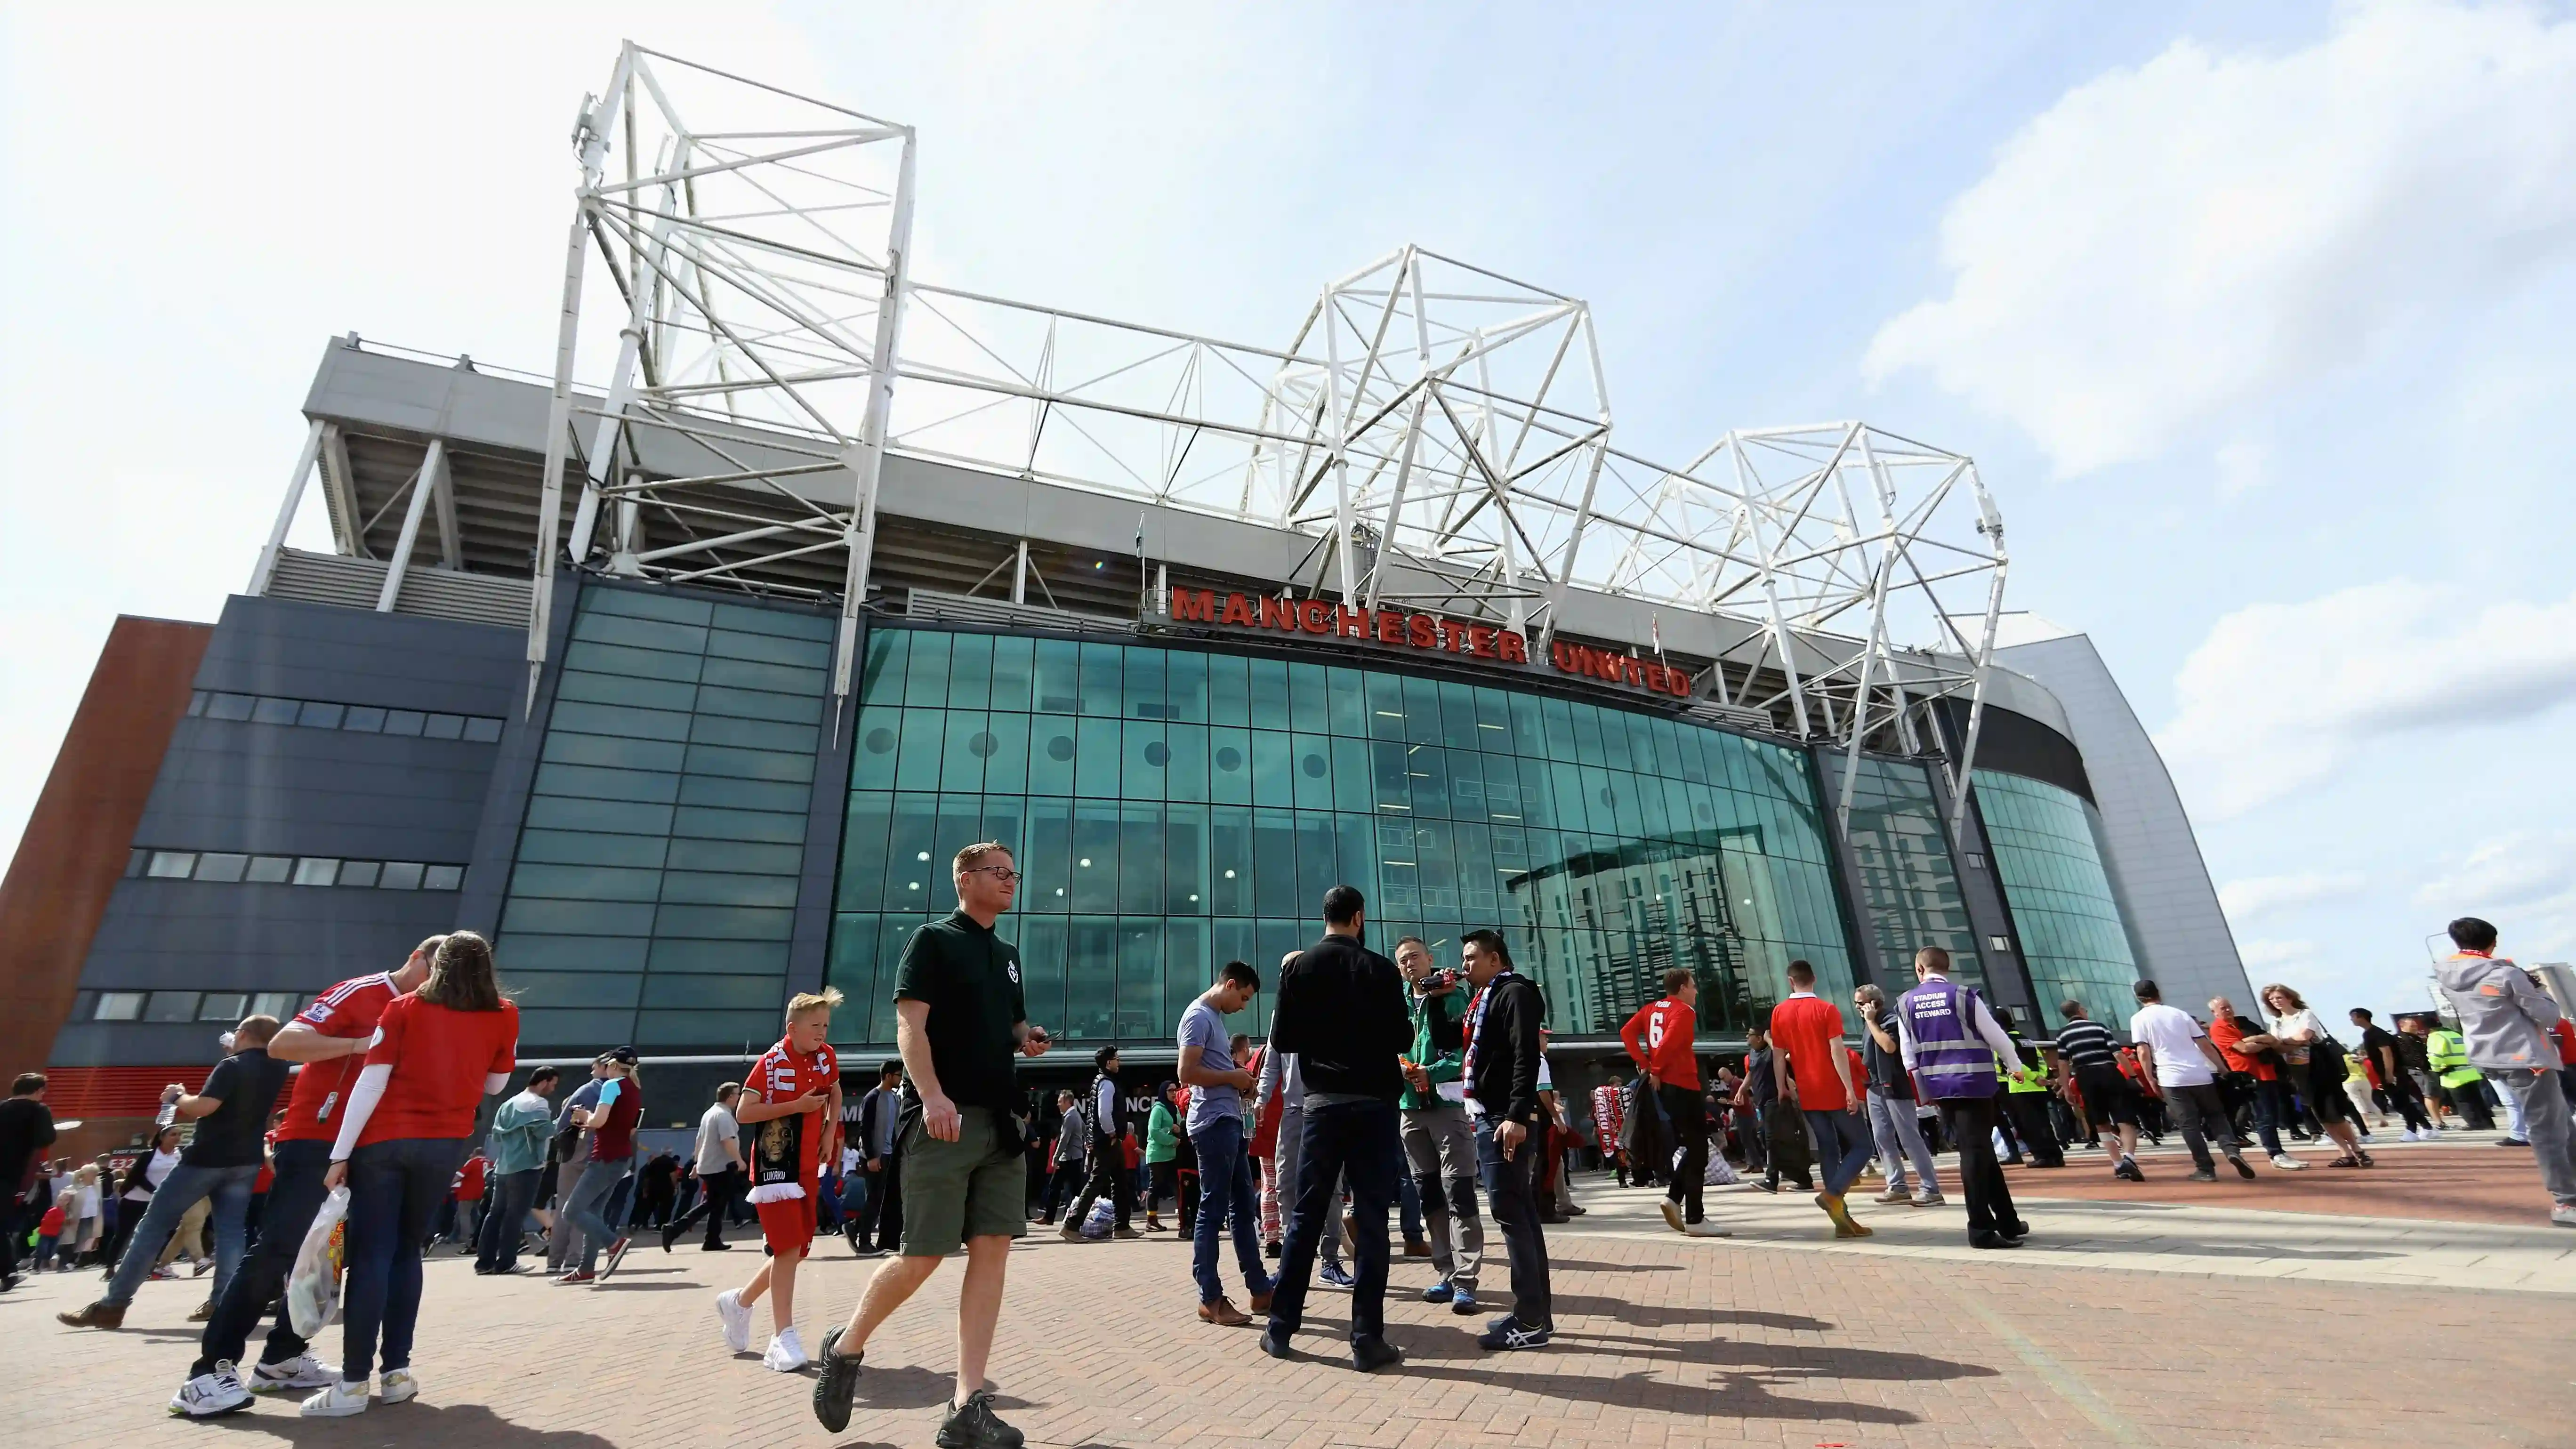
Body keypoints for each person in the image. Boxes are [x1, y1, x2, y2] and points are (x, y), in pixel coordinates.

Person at [811, 842, 1052, 1448]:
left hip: (1002, 1123)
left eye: (1013, 874)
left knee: (993, 1252)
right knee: (922, 1257)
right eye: (999, 873)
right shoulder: (933, 940)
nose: (1010, 882)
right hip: (944, 1119)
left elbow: (1012, 1020)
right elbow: (909, 1026)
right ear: (965, 879)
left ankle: (967, 1404)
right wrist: (934, 1095)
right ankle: (845, 1349)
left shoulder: (1009, 955)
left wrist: (1029, 1037)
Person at [297, 932, 518, 1418]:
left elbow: (371, 1082)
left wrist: (340, 1154)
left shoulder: (403, 1009)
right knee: (406, 1251)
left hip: (383, 1142)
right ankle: (396, 1373)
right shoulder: (505, 1013)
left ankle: (352, 1384)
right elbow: (497, 1084)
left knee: (372, 1253)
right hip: (445, 1144)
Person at [1258, 884, 1409, 1374]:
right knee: (1371, 1219)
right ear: (1359, 918)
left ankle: (1281, 1327)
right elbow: (1403, 1037)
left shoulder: (1298, 968)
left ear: (1324, 916)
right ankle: (1367, 1338)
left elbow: (1284, 1040)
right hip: (1374, 1103)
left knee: (1305, 1214)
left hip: (1321, 1103)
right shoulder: (1383, 970)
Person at [61, 1015, 290, 1332]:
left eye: (238, 1033)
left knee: (152, 1227)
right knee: (231, 1232)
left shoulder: (231, 1066)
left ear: (245, 1034)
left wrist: (176, 1096)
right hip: (246, 1160)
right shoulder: (276, 1067)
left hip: (206, 1159)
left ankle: (113, 1305)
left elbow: (204, 1107)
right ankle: (223, 1302)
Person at [718, 989, 844, 1371]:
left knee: (792, 1251)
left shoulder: (826, 1056)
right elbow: (744, 1112)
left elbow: (835, 1092)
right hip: (777, 1168)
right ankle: (782, 1338)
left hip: (808, 1166)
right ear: (792, 1028)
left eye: (825, 1025)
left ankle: (739, 1302)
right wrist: (798, 1106)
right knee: (788, 1250)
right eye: (814, 1026)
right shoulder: (771, 1062)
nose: (822, 1032)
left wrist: (828, 1131)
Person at [2433, 918, 2576, 1227]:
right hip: (2526, 1057)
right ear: (2492, 941)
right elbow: (2548, 1015)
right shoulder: (2506, 973)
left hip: (2489, 1056)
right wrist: (2540, 990)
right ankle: (2566, 1202)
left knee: (2561, 1122)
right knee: (2548, 1131)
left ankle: (2571, 1191)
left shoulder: (2446, 976)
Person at [1455, 928, 1552, 1351]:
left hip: (1502, 1120)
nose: (1464, 966)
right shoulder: (1485, 999)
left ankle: (1530, 1322)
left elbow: (1525, 1055)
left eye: (1472, 958)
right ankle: (1535, 1315)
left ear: (1496, 959)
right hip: (1491, 1115)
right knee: (1520, 1214)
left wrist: (1517, 1115)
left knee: (1512, 1215)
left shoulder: (1515, 992)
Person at [1894, 947, 2027, 1249]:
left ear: (1919, 970)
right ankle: (1980, 1229)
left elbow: (1908, 1055)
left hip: (1939, 1088)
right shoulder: (1964, 996)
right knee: (1975, 1153)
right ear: (1947, 967)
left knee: (1980, 1151)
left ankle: (2007, 1220)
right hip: (1974, 1083)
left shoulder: (1904, 1003)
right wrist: (2015, 1066)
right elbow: (1997, 1036)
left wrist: (1923, 1092)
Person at [1177, 959, 1275, 1325]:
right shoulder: (1199, 1017)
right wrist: (1234, 1078)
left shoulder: (1212, 1018)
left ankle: (1260, 1289)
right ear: (1231, 985)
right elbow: (1186, 1073)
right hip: (1213, 1124)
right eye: (1245, 998)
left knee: (1241, 1209)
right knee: (1213, 1210)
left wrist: (1240, 1084)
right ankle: (1211, 1298)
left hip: (1227, 1120)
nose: (1244, 1006)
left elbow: (1208, 1073)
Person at [1395, 935, 1486, 1313]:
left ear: (1430, 959)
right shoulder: (1396, 1001)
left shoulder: (1451, 996)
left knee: (1459, 1191)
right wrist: (1403, 1070)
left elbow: (1467, 1050)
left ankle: (1466, 1279)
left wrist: (1429, 1072)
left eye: (1415, 957)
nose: (1410, 965)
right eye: (1403, 961)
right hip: (1409, 1108)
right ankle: (1446, 1272)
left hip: (1446, 1105)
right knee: (1429, 1192)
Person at [1768, 960, 1871, 1237]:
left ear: (1791, 981)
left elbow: (1778, 1055)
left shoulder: (1779, 1012)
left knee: (1829, 1149)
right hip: (1833, 1088)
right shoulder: (1826, 1009)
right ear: (1813, 979)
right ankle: (1834, 1193)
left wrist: (1782, 1087)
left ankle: (1842, 1221)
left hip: (1807, 1090)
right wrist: (1849, 1088)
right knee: (1862, 1146)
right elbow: (1837, 1051)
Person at [2129, 980, 2258, 1183]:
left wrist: (2150, 1078)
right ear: (2158, 993)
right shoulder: (2179, 1014)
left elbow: (2143, 1051)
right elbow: (2205, 1044)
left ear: (2138, 998)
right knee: (2216, 1116)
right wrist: (2224, 1070)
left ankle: (2205, 1168)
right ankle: (2231, 1150)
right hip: (2200, 1074)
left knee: (2189, 1124)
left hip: (2171, 1077)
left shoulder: (2138, 1019)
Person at [1620, 968, 1707, 1234]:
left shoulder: (1651, 1009)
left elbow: (1626, 1032)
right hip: (1681, 1082)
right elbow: (1669, 1042)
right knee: (1699, 1150)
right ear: (1682, 988)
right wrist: (1655, 1069)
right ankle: (1695, 1217)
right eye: (1693, 986)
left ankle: (1674, 1198)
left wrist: (1644, 1063)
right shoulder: (1684, 1011)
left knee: (1696, 1149)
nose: (1696, 991)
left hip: (1665, 1084)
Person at [2260, 984, 2374, 1168]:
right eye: (2271, 1000)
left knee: (2334, 1112)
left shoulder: (2304, 1015)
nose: (2276, 1002)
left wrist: (2283, 1042)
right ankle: (2345, 1152)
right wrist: (2286, 1043)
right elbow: (2278, 1047)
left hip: (2320, 1067)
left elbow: (2305, 1036)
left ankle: (2357, 1149)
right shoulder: (2277, 1023)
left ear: (2289, 998)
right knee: (2319, 1113)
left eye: (2279, 997)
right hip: (2298, 1071)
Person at [555, 1048, 642, 1285]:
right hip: (621, 1157)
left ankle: (615, 1244)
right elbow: (625, 1125)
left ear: (612, 1065)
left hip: (605, 1157)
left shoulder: (611, 1086)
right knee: (593, 1213)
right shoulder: (634, 1089)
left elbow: (599, 1121)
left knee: (571, 1212)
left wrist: (585, 1117)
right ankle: (586, 1270)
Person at [1855, 984, 1942, 1205]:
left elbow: (1889, 1047)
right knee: (1882, 1137)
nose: (1857, 1008)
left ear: (1875, 1003)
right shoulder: (1870, 1023)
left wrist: (1871, 1021)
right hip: (1875, 1087)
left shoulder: (1891, 1020)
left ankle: (1931, 1189)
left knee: (1909, 1138)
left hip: (1895, 1086)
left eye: (1861, 1003)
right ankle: (1897, 1186)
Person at [2207, 997, 2308, 1169]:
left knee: (2273, 1114)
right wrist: (2264, 1042)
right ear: (2214, 1012)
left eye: (2229, 1006)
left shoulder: (2244, 1023)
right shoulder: (2218, 1028)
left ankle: (2277, 1153)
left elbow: (2272, 1041)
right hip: (2250, 1077)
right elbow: (2244, 1048)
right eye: (2223, 1008)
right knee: (2265, 1116)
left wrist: (2261, 1040)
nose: (2228, 1010)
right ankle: (2275, 1154)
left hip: (2268, 1073)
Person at [475, 1067, 557, 1274]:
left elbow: (497, 1135)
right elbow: (544, 1132)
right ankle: (507, 1262)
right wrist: (563, 1123)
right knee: (515, 1216)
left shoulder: (508, 1104)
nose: (553, 1089)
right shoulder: (538, 1104)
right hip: (528, 1166)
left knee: (495, 1215)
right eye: (553, 1084)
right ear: (544, 1082)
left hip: (504, 1167)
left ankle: (484, 1263)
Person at [2053, 1001, 2145, 1179]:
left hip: (2085, 1076)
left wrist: (2066, 1089)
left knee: (2100, 1122)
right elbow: (2118, 1054)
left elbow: (2063, 1063)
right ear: (2080, 1011)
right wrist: (2133, 1077)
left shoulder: (2063, 1034)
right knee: (2125, 1120)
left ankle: (2118, 1164)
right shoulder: (2099, 1027)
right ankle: (2129, 1158)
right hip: (2109, 1072)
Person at [1060, 1047, 1137, 1241]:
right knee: (1096, 1182)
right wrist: (1112, 1133)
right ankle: (1072, 1226)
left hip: (1109, 1141)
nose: (1119, 1062)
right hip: (1107, 1142)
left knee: (1120, 1183)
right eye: (1116, 1059)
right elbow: (1104, 1114)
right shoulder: (1107, 1084)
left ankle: (1122, 1227)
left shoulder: (1101, 1081)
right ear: (1108, 1063)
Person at [660, 1082, 746, 1254]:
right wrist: (739, 1160)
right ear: (730, 1096)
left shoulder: (710, 1114)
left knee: (717, 1204)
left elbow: (699, 1141)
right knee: (713, 1203)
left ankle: (712, 1240)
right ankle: (674, 1230)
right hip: (720, 1166)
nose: (739, 1098)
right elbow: (727, 1141)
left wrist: (695, 1165)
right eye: (738, 1094)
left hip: (709, 1166)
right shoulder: (723, 1116)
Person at [0, 1072, 56, 1291]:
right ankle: (8, 1272)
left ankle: (8, 1271)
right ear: (37, 1091)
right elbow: (46, 1138)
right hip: (10, 1174)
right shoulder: (38, 1110)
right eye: (43, 1091)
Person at [845, 1060, 904, 1255]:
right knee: (874, 1199)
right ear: (888, 1076)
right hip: (875, 1157)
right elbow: (866, 1130)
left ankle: (857, 1229)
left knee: (882, 1199)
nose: (901, 1079)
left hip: (889, 1156)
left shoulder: (894, 1098)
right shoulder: (873, 1097)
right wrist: (871, 1157)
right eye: (898, 1075)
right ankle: (864, 1242)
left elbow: (894, 1129)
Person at [2352, 1008, 2436, 1139]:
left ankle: (2412, 1130)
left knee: (2400, 1103)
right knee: (2401, 1103)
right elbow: (2379, 1054)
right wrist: (2364, 1059)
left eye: (2353, 1017)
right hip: (2387, 1072)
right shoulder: (2369, 1034)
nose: (2351, 1020)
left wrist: (2390, 1074)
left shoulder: (2376, 1033)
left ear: (2360, 1017)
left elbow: (2387, 1054)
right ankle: (2427, 1128)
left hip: (2395, 1072)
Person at [2425, 1016, 2493, 1129]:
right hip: (2470, 1071)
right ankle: (2488, 1123)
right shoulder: (2455, 1034)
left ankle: (2474, 1124)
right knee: (2477, 1100)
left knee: (2463, 1101)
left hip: (2454, 1075)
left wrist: (2436, 1069)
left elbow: (2436, 1056)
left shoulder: (2435, 1037)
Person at [1033, 1088, 1087, 1226]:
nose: (1058, 1105)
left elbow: (1064, 1139)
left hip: (1068, 1158)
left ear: (1068, 1102)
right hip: (1075, 1157)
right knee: (1074, 1189)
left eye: (1060, 1102)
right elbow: (1085, 1129)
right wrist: (1087, 1142)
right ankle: (1074, 1217)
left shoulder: (1070, 1116)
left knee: (1056, 1187)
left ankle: (1052, 1217)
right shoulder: (1076, 1114)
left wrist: (1055, 1158)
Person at [1143, 1082, 1183, 1233]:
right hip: (1158, 1155)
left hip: (1173, 1155)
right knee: (1156, 1187)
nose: (1174, 1093)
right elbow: (1154, 1131)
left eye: (1175, 1090)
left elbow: (1179, 1125)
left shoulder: (1175, 1108)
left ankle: (1184, 1218)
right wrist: (1173, 1140)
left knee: (1178, 1187)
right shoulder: (1158, 1109)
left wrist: (1179, 1129)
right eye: (1170, 1091)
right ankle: (1151, 1220)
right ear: (1163, 1092)